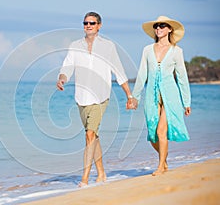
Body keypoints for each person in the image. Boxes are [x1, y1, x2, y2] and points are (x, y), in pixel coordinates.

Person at [56, 12, 133, 186]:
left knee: (89, 135)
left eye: (92, 23)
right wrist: (62, 78)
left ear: (99, 25)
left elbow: (118, 71)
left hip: (100, 97)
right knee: (94, 136)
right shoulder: (75, 46)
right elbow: (67, 67)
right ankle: (102, 173)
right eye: (85, 23)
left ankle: (84, 179)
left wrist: (129, 95)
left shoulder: (108, 46)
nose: (88, 25)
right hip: (81, 98)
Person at [129, 16, 191, 176]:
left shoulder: (177, 51)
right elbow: (142, 73)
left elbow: (182, 77)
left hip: (171, 95)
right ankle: (164, 160)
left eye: (162, 26)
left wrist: (186, 101)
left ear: (170, 29)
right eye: (156, 26)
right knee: (153, 135)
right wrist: (134, 96)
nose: (158, 28)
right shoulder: (147, 50)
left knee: (161, 131)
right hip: (151, 94)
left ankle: (160, 166)